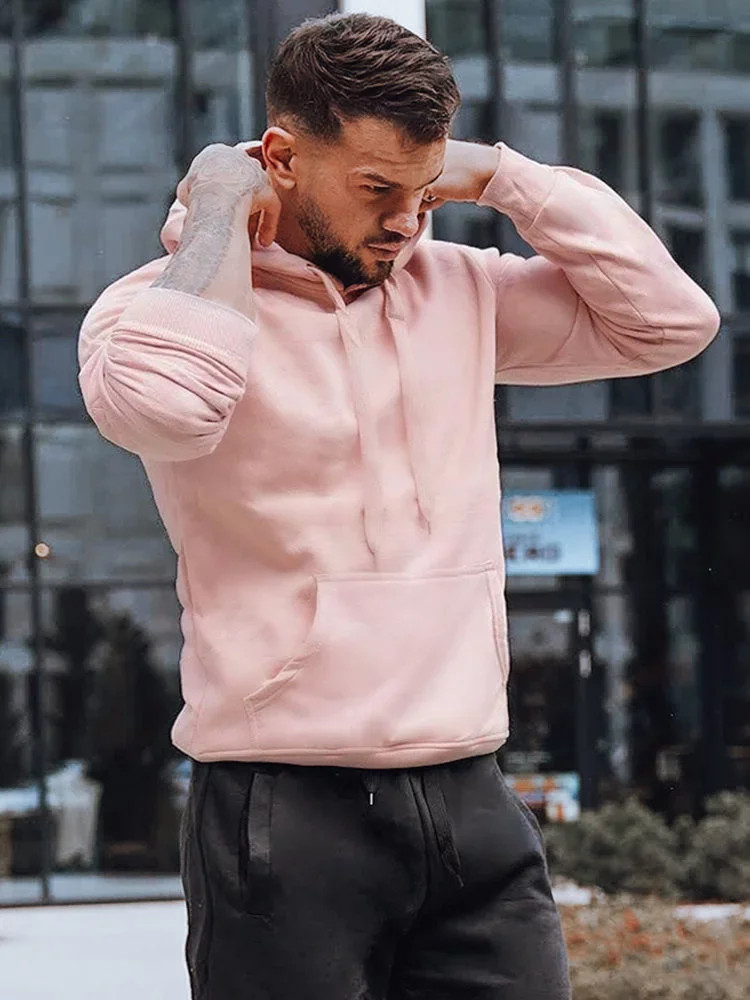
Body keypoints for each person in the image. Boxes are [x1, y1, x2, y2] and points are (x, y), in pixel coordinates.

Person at [78, 13, 719, 1000]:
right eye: (376, 189)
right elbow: (166, 409)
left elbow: (672, 323)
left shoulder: (459, 290)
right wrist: (216, 213)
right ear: (281, 159)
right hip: (284, 808)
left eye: (423, 191)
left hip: (473, 796)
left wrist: (500, 175)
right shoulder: (154, 313)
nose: (406, 221)